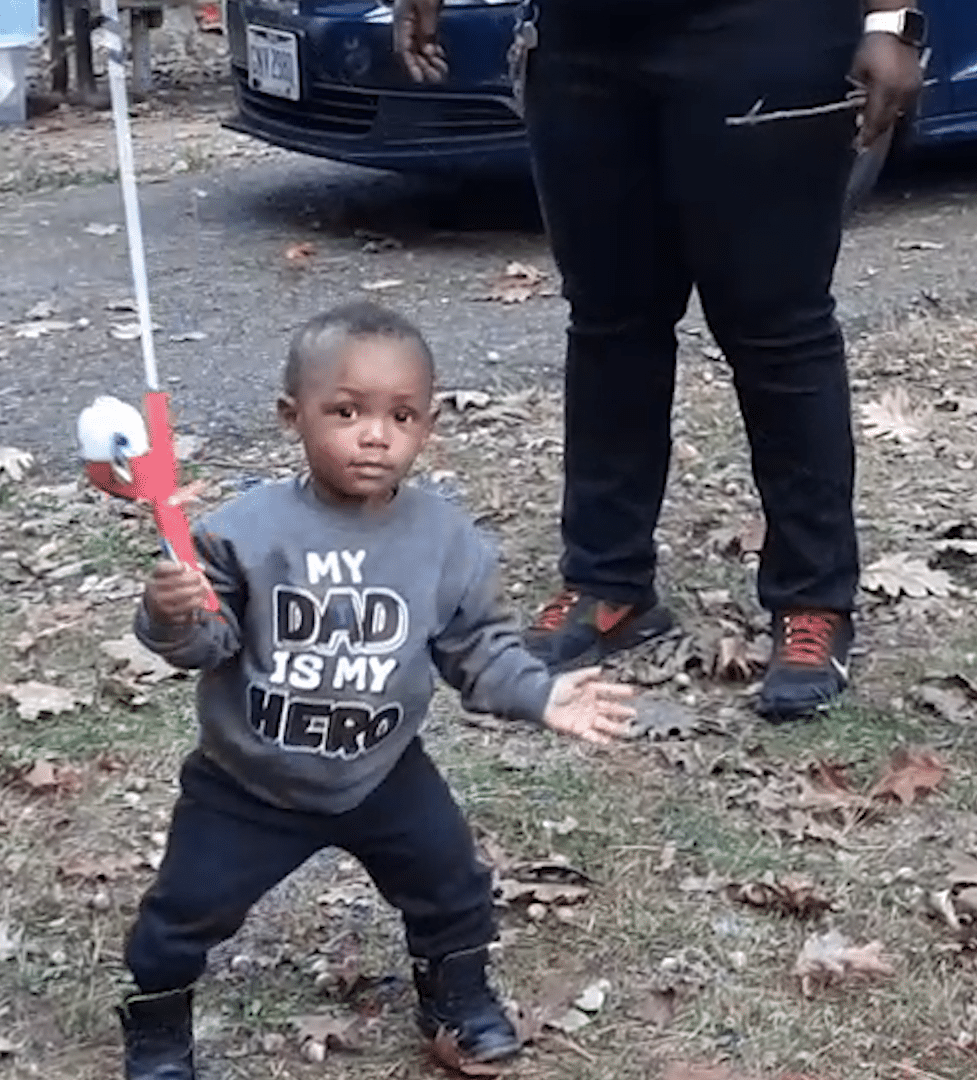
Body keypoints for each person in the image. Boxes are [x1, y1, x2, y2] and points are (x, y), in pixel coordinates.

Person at [113, 301, 637, 1080]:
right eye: (346, 411)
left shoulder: (445, 541)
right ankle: (157, 1025)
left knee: (452, 884)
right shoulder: (243, 532)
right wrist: (169, 614)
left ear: (427, 426)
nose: (374, 435)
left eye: (401, 416)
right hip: (247, 780)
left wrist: (539, 694)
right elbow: (206, 644)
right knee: (182, 913)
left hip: (380, 771)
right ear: (293, 416)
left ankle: (455, 994)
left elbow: (477, 647)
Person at [392, 0, 925, 720]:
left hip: (766, 32)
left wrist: (893, 21)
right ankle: (610, 584)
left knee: (777, 327)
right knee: (611, 319)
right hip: (582, 43)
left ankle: (813, 600)